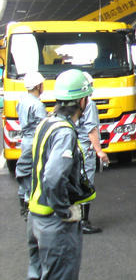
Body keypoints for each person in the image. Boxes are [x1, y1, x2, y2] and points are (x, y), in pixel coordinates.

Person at [27, 69, 96, 280]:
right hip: (54, 222)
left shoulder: (46, 123)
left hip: (35, 217)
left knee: (38, 274)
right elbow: (54, 177)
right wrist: (64, 211)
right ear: (81, 100)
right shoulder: (65, 132)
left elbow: (26, 163)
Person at [75, 72, 110, 234]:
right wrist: (99, 151)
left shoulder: (70, 103)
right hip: (84, 149)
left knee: (73, 182)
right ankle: (82, 221)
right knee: (85, 183)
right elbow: (91, 130)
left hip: (72, 146)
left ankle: (73, 220)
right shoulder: (89, 105)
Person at [15, 71, 47, 221]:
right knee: (34, 173)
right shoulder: (37, 104)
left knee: (25, 170)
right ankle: (29, 205)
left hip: (25, 140)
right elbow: (43, 125)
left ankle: (23, 201)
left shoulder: (22, 101)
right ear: (38, 86)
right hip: (35, 140)